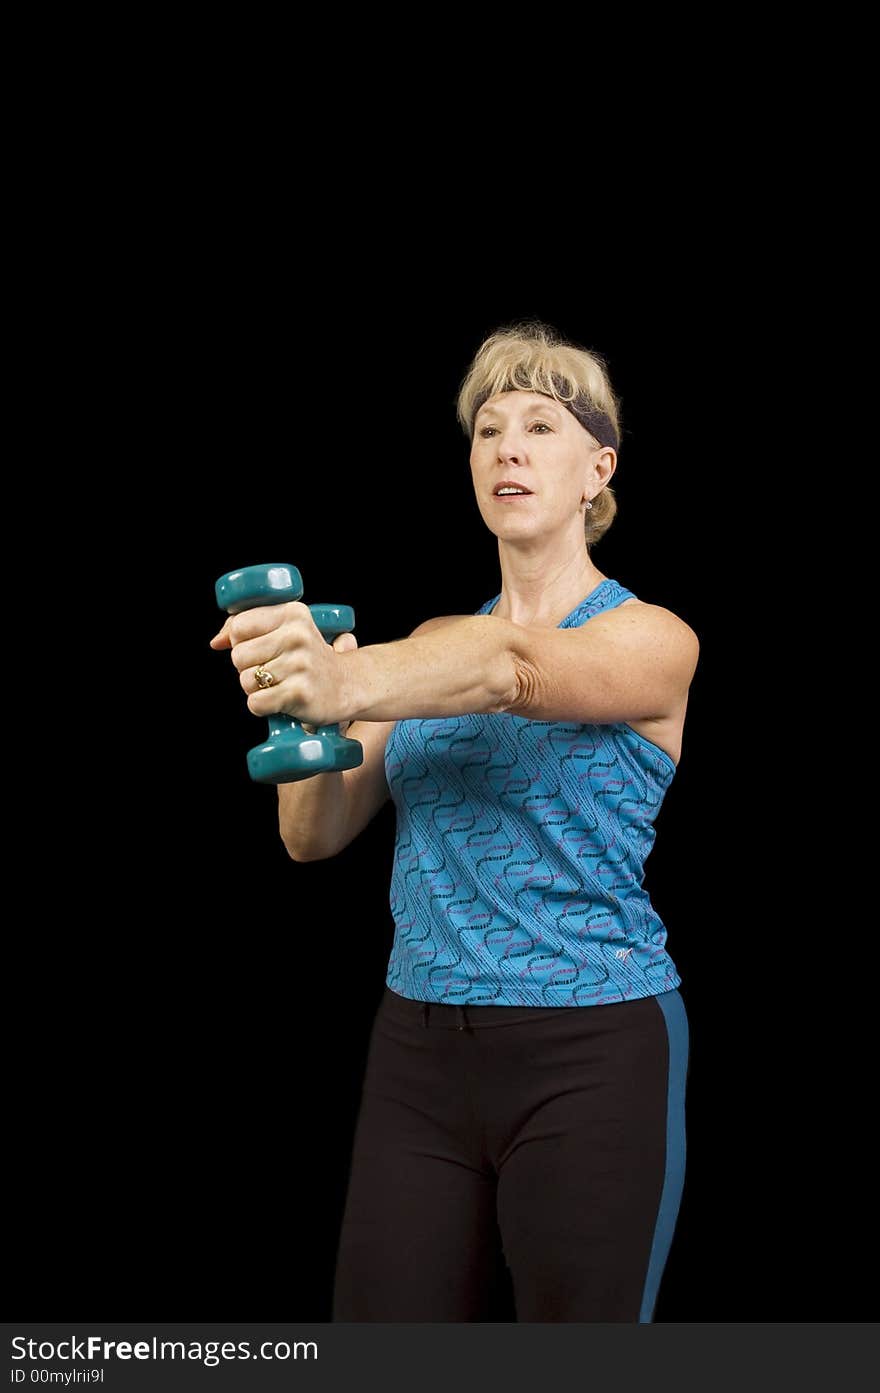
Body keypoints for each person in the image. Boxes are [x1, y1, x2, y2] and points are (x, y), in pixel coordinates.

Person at [209, 319, 700, 1321]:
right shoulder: (426, 644)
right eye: (486, 430)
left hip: (590, 1047)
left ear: (595, 471)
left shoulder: (652, 639)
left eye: (539, 426)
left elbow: (510, 670)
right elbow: (315, 831)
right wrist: (306, 703)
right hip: (419, 1052)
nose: (506, 447)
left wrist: (342, 671)